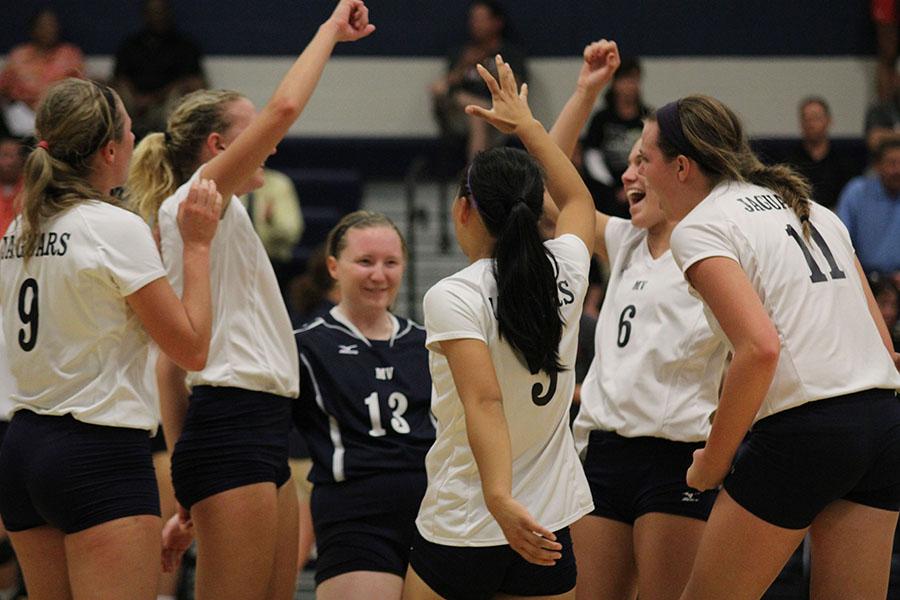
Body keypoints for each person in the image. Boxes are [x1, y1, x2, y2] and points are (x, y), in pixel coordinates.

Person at [126, 3, 375, 599]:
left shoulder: (218, 211)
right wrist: (328, 31)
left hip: (259, 426)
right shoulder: (194, 198)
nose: (271, 141)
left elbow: (167, 369)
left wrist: (186, 486)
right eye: (252, 129)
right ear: (216, 146)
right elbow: (286, 108)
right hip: (230, 423)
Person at [638, 94, 900, 599]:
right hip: (884, 427)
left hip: (807, 434)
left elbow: (759, 348)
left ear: (682, 167)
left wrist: (711, 465)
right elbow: (883, 346)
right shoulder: (817, 210)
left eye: (645, 160)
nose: (639, 175)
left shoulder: (700, 228)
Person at [0, 77, 220, 599]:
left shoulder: (20, 227)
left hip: (20, 448)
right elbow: (190, 347)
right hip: (94, 452)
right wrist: (197, 248)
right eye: (127, 128)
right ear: (110, 149)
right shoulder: (113, 226)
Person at [404, 55, 596, 600]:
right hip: (545, 522)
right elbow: (579, 198)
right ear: (536, 211)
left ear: (463, 209)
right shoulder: (568, 268)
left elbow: (484, 403)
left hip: (467, 518)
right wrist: (528, 127)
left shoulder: (454, 295)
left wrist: (497, 499)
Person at [540, 43, 726, 600]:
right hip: (604, 452)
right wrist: (585, 91)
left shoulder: (719, 252)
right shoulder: (623, 241)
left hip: (677, 457)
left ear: (681, 170)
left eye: (642, 162)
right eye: (628, 164)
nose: (627, 175)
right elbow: (552, 187)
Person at [293, 211, 434, 599]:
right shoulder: (306, 345)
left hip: (434, 514)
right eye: (365, 262)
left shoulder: (427, 342)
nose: (379, 275)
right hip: (355, 516)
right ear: (334, 267)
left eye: (391, 263)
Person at [430, 0, 528, 162]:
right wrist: (465, 65)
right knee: (473, 109)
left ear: (497, 23)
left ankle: (475, 175)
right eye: (473, 19)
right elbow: (444, 85)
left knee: (479, 113)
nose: (475, 24)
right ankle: (476, 174)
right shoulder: (462, 53)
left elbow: (518, 88)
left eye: (481, 19)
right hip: (459, 112)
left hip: (498, 114)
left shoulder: (509, 54)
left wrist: (495, 72)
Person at [112, 0, 207, 139]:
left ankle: (170, 145)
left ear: (168, 13)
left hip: (165, 102)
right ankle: (120, 142)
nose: (157, 17)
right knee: (114, 93)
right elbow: (120, 77)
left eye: (160, 12)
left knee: (178, 98)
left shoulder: (184, 46)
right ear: (145, 15)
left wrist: (155, 97)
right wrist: (137, 97)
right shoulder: (131, 45)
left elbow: (190, 80)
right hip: (134, 102)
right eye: (153, 12)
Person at [579, 57, 651, 219]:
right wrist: (613, 188)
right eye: (626, 79)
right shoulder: (602, 119)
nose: (630, 86)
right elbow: (592, 157)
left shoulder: (648, 117)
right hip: (607, 192)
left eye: (635, 80)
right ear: (615, 83)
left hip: (641, 187)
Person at [0, 8, 84, 136]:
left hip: (60, 114)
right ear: (33, 29)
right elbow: (3, 88)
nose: (48, 30)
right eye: (43, 26)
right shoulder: (19, 55)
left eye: (52, 25)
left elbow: (82, 90)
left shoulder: (70, 54)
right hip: (22, 114)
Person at [836, 136, 900, 282]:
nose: (898, 170)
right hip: (865, 280)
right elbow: (840, 241)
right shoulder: (857, 192)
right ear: (877, 166)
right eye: (892, 163)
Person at [784, 96, 854, 211]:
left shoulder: (844, 161)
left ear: (829, 121)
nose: (811, 124)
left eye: (816, 118)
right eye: (806, 119)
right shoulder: (789, 161)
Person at [0, 137, 25, 235]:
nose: (8, 162)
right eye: (4, 156)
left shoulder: (31, 188)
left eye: (12, 156)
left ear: (21, 160)